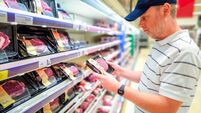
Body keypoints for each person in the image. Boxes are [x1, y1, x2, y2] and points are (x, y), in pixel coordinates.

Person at [94, 0, 201, 113]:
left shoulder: (185, 52)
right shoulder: (162, 42)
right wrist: (121, 72)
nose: (140, 25)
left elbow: (167, 107)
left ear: (165, 10)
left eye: (144, 17)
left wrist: (118, 87)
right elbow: (153, 76)